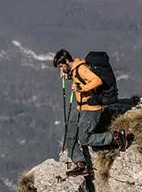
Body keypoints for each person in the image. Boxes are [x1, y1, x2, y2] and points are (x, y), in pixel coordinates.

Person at [53, 49, 130, 178]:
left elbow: (97, 81)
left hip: (91, 108)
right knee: (70, 135)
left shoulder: (81, 69)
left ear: (67, 61)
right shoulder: (73, 70)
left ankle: (116, 136)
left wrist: (81, 88)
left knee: (84, 138)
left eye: (61, 66)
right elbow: (78, 79)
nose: (60, 69)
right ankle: (81, 164)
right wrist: (67, 76)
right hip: (80, 107)